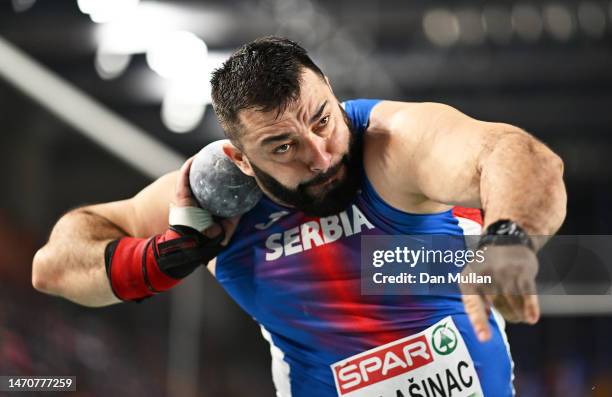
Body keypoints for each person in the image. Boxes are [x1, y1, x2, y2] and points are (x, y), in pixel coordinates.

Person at [32, 37, 566, 396]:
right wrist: (164, 256)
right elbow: (54, 265)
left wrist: (510, 236)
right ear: (240, 157)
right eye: (282, 147)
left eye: (321, 119)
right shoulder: (214, 203)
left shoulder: (394, 145)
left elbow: (518, 156)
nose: (320, 153)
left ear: (331, 91)